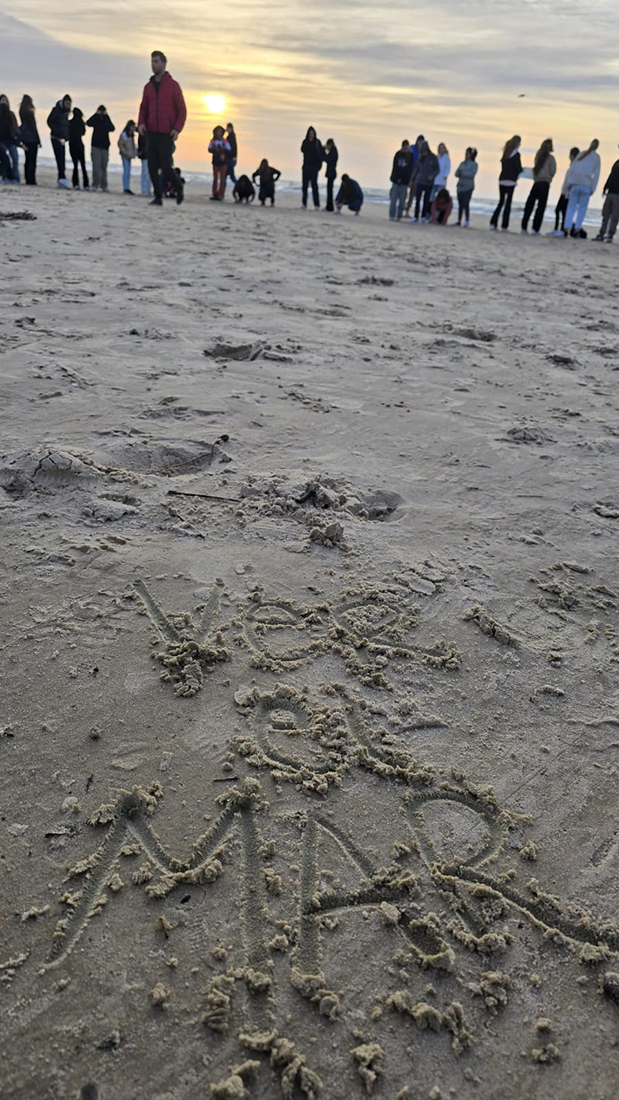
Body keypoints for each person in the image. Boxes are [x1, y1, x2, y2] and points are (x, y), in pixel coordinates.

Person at [138, 49, 187, 208]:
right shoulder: (148, 87)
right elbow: (143, 108)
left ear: (164, 64)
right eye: (152, 61)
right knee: (152, 166)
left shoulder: (173, 86)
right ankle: (158, 196)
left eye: (157, 61)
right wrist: (141, 124)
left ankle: (178, 187)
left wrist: (177, 129)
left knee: (165, 165)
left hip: (167, 133)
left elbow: (182, 110)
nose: (154, 64)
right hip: (151, 132)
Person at [562, 139, 600, 238]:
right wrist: (593, 188)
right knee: (582, 209)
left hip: (575, 183)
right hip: (586, 184)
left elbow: (573, 168)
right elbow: (596, 174)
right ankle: (577, 229)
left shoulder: (582, 154)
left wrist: (569, 182)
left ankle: (566, 227)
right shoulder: (596, 157)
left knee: (571, 207)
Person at [521, 138, 556, 234]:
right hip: (545, 183)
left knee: (530, 204)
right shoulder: (551, 158)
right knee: (540, 207)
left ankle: (524, 226)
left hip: (536, 183)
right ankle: (535, 228)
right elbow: (553, 171)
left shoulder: (538, 156)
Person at [490, 135, 522, 231]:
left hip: (502, 179)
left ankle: (493, 222)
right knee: (508, 203)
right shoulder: (516, 155)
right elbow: (518, 168)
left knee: (501, 202)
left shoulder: (506, 153)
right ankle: (504, 225)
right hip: (511, 181)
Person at [549, 147, 579, 236]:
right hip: (564, 191)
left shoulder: (575, 166)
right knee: (558, 210)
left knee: (563, 211)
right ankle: (557, 228)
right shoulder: (572, 165)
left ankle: (563, 230)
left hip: (568, 193)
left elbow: (572, 179)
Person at [408, 141, 439, 222]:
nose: (423, 152)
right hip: (419, 181)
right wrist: (412, 179)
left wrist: (432, 176)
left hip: (429, 183)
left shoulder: (433, 157)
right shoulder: (420, 157)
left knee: (426, 200)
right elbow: (416, 169)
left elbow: (437, 169)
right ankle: (415, 216)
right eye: (422, 151)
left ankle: (423, 216)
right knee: (417, 199)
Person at [86, 105, 115, 192]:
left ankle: (104, 185)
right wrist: (96, 115)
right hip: (95, 146)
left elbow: (112, 128)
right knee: (96, 167)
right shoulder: (96, 119)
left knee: (104, 168)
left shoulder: (106, 120)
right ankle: (95, 184)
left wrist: (107, 116)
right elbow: (88, 123)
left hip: (105, 147)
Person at [47, 95, 72, 188]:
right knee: (60, 159)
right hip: (55, 138)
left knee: (62, 159)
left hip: (62, 139)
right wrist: (56, 131)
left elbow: (65, 126)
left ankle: (61, 178)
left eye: (70, 104)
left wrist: (67, 136)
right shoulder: (56, 110)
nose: (68, 105)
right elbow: (49, 121)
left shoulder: (66, 113)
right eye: (67, 103)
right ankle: (62, 178)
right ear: (63, 102)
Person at [595, 149, 619, 243]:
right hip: (610, 192)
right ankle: (601, 233)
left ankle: (610, 234)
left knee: (615, 216)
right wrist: (605, 187)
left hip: (618, 194)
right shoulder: (616, 163)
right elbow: (611, 175)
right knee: (606, 214)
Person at [18, 95, 40, 186]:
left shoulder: (22, 112)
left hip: (26, 138)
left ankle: (28, 178)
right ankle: (31, 179)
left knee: (28, 160)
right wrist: (38, 140)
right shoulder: (30, 114)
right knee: (32, 160)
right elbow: (34, 128)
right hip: (32, 139)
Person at [389, 140, 413, 221]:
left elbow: (410, 169)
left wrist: (409, 180)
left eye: (407, 148)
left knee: (402, 201)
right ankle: (392, 215)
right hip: (396, 181)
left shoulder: (410, 156)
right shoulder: (398, 154)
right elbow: (395, 167)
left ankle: (399, 216)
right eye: (405, 148)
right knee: (393, 199)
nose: (406, 149)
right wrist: (396, 178)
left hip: (405, 182)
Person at [454, 146, 478, 227]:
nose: (466, 155)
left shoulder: (474, 164)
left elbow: (471, 174)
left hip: (468, 187)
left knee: (466, 204)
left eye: (467, 153)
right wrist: (459, 172)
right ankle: (459, 220)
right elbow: (456, 173)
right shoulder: (462, 163)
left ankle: (467, 220)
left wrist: (462, 172)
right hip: (460, 187)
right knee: (460, 204)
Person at [301, 126, 323, 209]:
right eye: (310, 133)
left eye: (312, 133)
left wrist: (319, 166)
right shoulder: (305, 142)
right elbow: (302, 150)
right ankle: (304, 204)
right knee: (304, 186)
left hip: (314, 167)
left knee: (314, 186)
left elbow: (320, 154)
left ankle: (317, 205)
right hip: (306, 165)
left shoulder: (317, 142)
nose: (311, 135)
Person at [0, 94, 20, 183]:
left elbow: (15, 127)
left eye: (5, 101)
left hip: (11, 140)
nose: (3, 102)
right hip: (1, 141)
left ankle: (15, 178)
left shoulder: (11, 114)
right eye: (2, 100)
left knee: (15, 158)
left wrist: (18, 141)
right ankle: (4, 176)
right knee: (5, 158)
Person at [68, 107, 89, 190]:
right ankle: (86, 184)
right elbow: (83, 133)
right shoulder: (81, 123)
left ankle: (76, 183)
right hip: (80, 144)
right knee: (83, 165)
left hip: (72, 144)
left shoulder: (70, 123)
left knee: (75, 165)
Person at [208, 125, 231, 200]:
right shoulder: (213, 141)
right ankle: (215, 194)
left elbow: (229, 149)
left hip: (223, 162)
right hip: (215, 162)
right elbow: (209, 149)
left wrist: (222, 149)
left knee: (222, 179)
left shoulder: (225, 141)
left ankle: (220, 194)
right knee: (215, 179)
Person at [118, 120, 137, 194]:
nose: (133, 128)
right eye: (133, 127)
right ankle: (125, 188)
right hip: (125, 155)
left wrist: (134, 154)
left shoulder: (131, 135)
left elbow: (133, 146)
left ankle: (127, 187)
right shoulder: (123, 134)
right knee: (126, 171)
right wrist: (125, 153)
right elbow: (120, 144)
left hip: (130, 156)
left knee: (128, 172)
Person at [323, 138, 339, 212]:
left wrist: (323, 152)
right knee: (329, 190)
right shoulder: (334, 151)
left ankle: (329, 207)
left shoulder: (333, 152)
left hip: (331, 173)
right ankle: (329, 206)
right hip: (332, 172)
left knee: (329, 191)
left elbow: (327, 159)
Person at [137, 131, 151, 196]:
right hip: (145, 155)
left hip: (150, 155)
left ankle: (148, 189)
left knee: (150, 173)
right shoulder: (142, 133)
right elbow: (140, 144)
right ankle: (144, 190)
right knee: (145, 173)